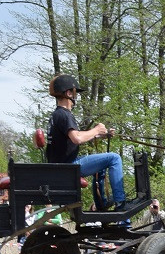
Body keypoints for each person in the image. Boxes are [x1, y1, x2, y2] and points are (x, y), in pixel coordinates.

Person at [45, 74, 125, 210]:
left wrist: (101, 135)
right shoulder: (64, 114)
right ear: (68, 93)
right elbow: (77, 138)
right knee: (114, 158)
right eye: (75, 93)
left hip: (62, 166)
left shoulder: (56, 115)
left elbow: (74, 137)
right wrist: (96, 129)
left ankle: (101, 204)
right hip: (69, 167)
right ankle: (120, 202)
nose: (76, 97)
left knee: (101, 166)